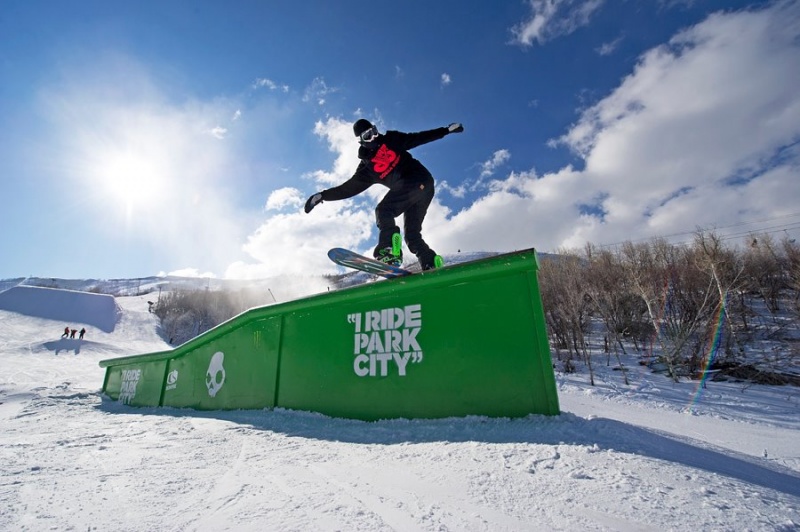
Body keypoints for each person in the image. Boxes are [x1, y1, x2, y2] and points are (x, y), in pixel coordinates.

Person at [304, 118, 463, 270]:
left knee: (383, 211)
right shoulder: (367, 170)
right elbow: (347, 189)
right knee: (412, 236)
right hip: (418, 193)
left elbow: (418, 138)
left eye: (374, 131)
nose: (374, 136)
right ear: (361, 140)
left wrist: (446, 130)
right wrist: (323, 196)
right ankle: (430, 262)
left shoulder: (392, 139)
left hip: (418, 179)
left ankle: (389, 250)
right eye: (368, 135)